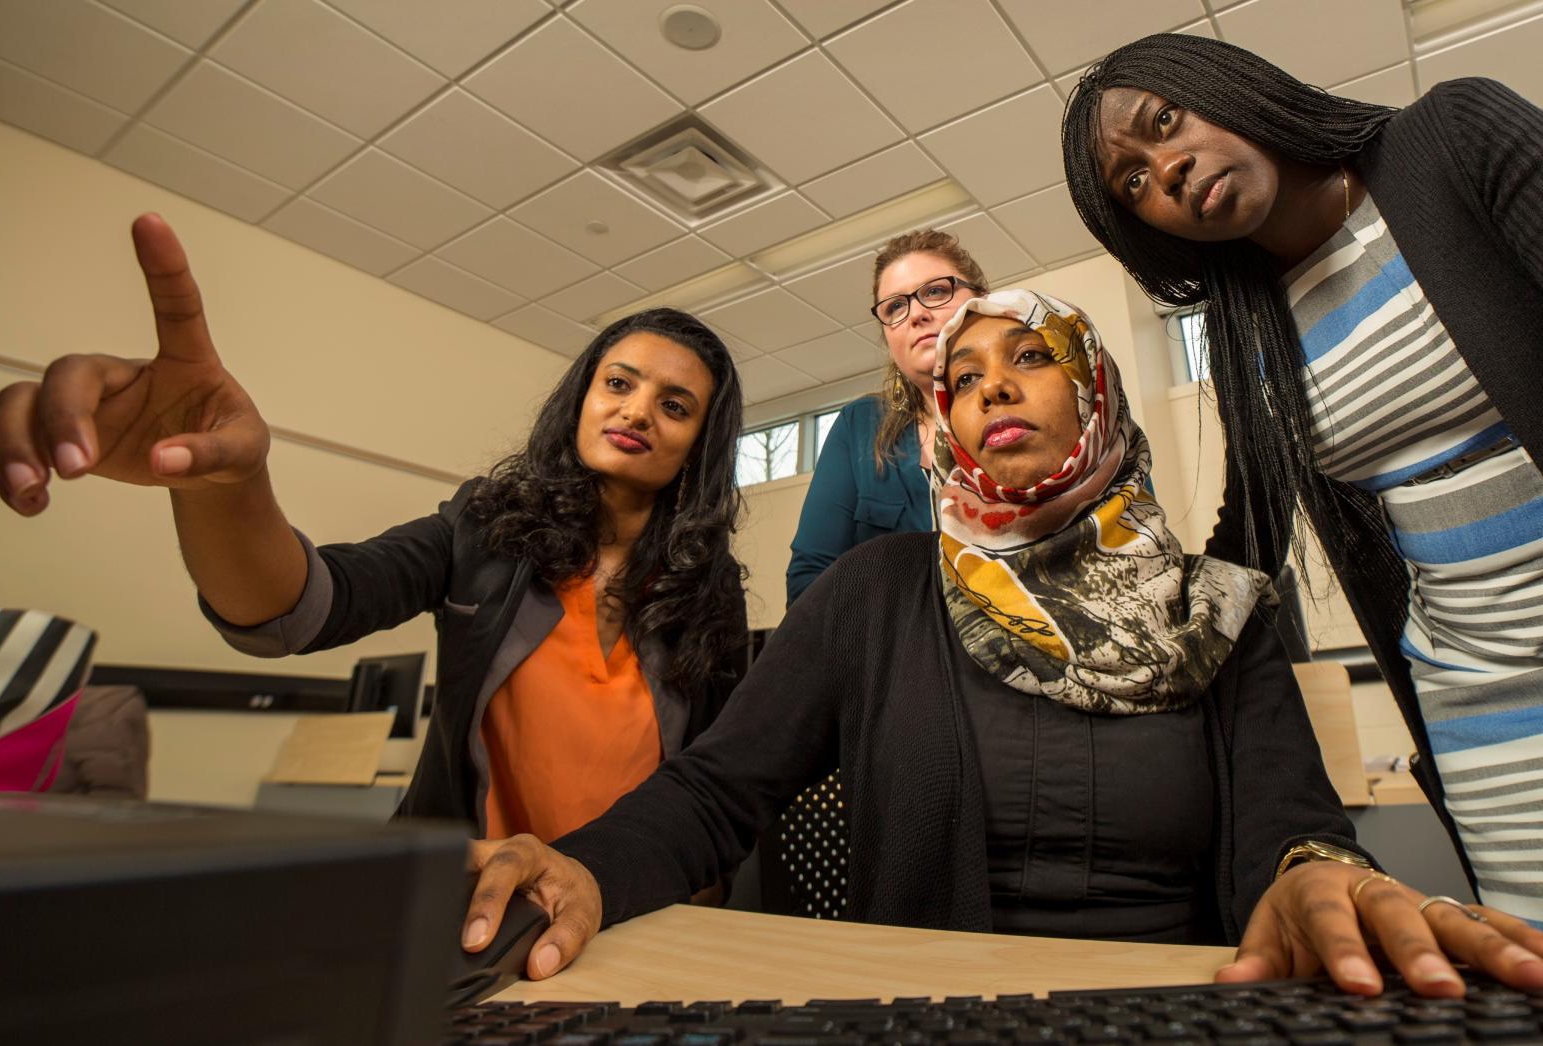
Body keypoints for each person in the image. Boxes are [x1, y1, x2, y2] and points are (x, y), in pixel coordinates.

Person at [459, 288, 1543, 998]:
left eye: (1029, 355)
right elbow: (716, 789)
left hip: (1181, 1008)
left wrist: (1319, 875)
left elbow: (1290, 826)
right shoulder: (875, 591)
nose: (988, 384)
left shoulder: (1220, 604)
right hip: (929, 1013)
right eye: (962, 376)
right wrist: (587, 864)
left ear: (1095, 394)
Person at [0, 213, 749, 842]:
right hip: (472, 906)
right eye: (617, 383)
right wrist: (226, 486)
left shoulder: (706, 590)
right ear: (581, 399)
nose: (637, 410)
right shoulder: (485, 528)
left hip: (640, 909)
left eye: (674, 406)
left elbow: (720, 788)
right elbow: (302, 608)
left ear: (698, 449)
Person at [1060, 33, 1543, 923]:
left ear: (1226, 86)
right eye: (1134, 182)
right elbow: (1248, 543)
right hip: (1475, 690)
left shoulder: (1450, 138)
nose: (1166, 169)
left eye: (1165, 123)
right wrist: (1099, 613)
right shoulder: (1250, 331)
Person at [784, 229, 985, 604]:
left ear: (982, 302)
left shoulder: (1032, 398)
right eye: (894, 308)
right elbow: (809, 583)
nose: (918, 315)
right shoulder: (860, 426)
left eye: (936, 291)